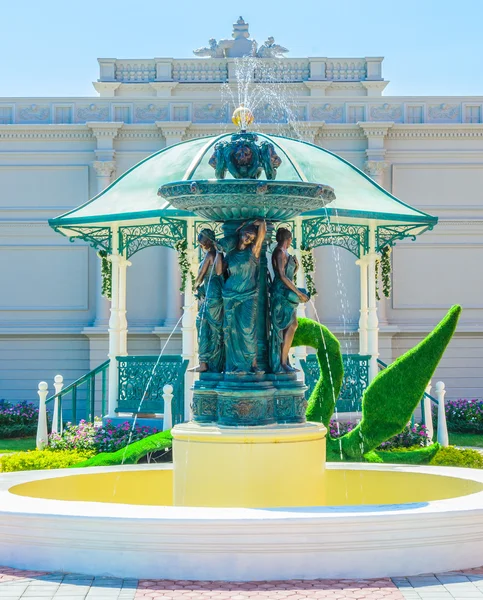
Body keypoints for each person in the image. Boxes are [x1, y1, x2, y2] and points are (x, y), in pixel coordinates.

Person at [218, 219, 267, 374]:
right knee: (230, 329)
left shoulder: (253, 252)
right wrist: (218, 250)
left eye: (252, 237)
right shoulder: (230, 255)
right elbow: (219, 272)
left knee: (248, 328)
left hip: (248, 295)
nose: (249, 238)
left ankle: (252, 364)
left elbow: (263, 231)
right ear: (240, 232)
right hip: (230, 295)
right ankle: (232, 366)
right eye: (248, 234)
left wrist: (257, 222)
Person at [269, 227, 309, 373]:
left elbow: (288, 274)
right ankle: (282, 362)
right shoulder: (279, 252)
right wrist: (298, 293)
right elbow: (282, 276)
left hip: (286, 292)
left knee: (292, 325)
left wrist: (296, 267)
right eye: (291, 239)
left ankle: (285, 361)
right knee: (286, 326)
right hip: (281, 293)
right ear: (288, 239)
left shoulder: (285, 253)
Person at [190, 229, 224, 373]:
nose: (200, 245)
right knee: (215, 329)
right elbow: (218, 273)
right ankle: (215, 362)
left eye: (201, 242)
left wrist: (195, 286)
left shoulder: (210, 254)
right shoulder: (217, 254)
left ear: (206, 242)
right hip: (217, 291)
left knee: (202, 324)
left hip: (211, 293)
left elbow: (201, 274)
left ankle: (204, 362)